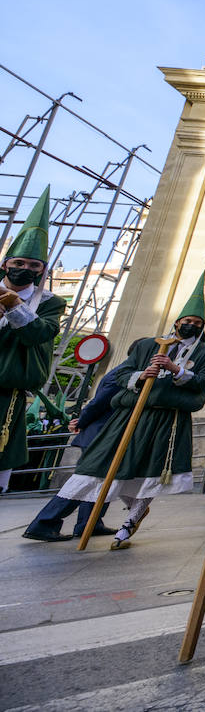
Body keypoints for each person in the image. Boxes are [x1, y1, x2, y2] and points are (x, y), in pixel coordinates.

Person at [56, 274, 205, 549]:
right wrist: (143, 374)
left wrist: (175, 369)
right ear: (176, 322)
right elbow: (121, 376)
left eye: (197, 323)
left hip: (167, 420)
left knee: (153, 471)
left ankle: (130, 522)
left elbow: (203, 382)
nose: (190, 325)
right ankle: (124, 509)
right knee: (109, 465)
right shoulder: (146, 346)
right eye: (186, 321)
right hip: (130, 416)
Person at [0, 188, 66, 496]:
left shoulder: (50, 302)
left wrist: (12, 304)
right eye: (21, 262)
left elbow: (39, 332)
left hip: (8, 389)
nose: (25, 269)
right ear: (6, 263)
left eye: (34, 266)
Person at [22, 361, 124, 541]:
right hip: (99, 436)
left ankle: (90, 523)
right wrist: (81, 421)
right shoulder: (121, 374)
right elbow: (98, 403)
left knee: (97, 482)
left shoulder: (122, 372)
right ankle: (44, 522)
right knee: (87, 480)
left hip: (102, 435)